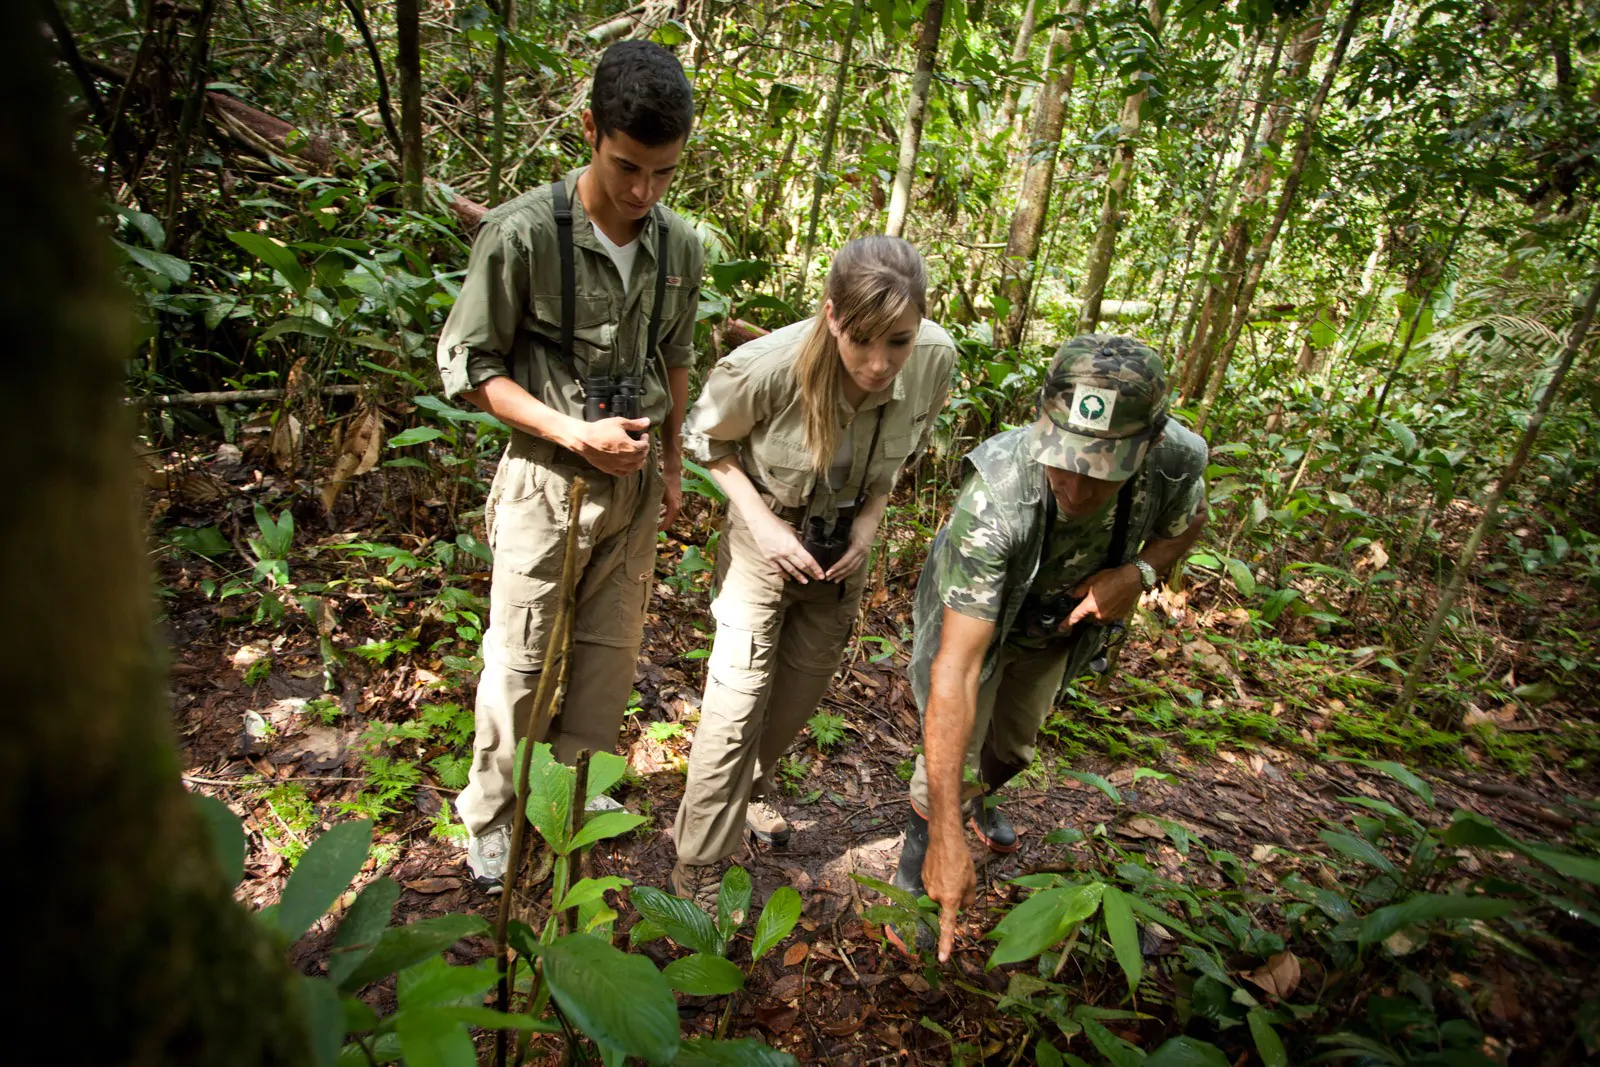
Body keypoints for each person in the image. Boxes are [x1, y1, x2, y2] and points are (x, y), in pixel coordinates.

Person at [435, 41, 704, 892]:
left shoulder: (680, 247)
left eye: (663, 173)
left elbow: (676, 356)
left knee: (607, 661)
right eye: (627, 167)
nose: (643, 192)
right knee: (520, 661)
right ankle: (491, 816)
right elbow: (469, 367)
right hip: (545, 480)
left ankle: (567, 800)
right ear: (590, 130)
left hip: (633, 489)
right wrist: (570, 431)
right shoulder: (521, 234)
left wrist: (671, 466)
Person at [890, 336, 1209, 959]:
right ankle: (915, 867)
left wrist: (1138, 574)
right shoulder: (997, 493)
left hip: (1058, 625)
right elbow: (956, 669)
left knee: (1013, 747)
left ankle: (979, 800)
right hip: (979, 612)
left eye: (1102, 470)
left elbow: (1188, 524)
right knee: (951, 754)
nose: (1078, 488)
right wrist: (947, 837)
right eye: (1064, 460)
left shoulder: (1177, 459)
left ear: (1148, 446)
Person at [670, 236, 956, 901]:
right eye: (862, 340)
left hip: (841, 551)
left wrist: (871, 521)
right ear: (832, 316)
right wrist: (763, 524)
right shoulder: (767, 367)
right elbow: (702, 438)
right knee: (736, 704)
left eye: (899, 342)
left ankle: (748, 789)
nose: (880, 363)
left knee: (796, 697)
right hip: (764, 535)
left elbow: (905, 449)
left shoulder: (935, 358)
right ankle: (698, 866)